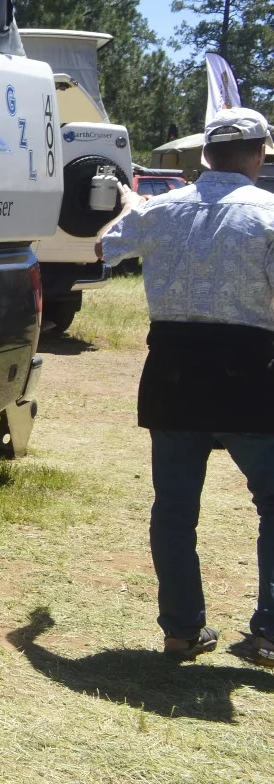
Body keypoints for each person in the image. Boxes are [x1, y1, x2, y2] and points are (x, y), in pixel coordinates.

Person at [97, 106, 274, 666]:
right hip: (251, 377)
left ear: (205, 155)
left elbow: (103, 247)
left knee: (174, 509)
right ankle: (269, 633)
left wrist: (130, 207)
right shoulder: (270, 214)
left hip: (172, 377)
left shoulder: (160, 209)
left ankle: (181, 630)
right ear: (262, 153)